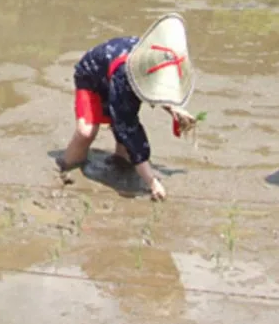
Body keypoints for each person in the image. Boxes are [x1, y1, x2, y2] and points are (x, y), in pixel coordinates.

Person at [57, 14, 198, 201]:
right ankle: (66, 167)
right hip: (92, 75)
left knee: (125, 147)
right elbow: (129, 128)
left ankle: (119, 164)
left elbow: (154, 86)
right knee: (87, 132)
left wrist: (173, 110)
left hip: (117, 74)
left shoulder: (158, 57)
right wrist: (152, 182)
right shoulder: (129, 75)